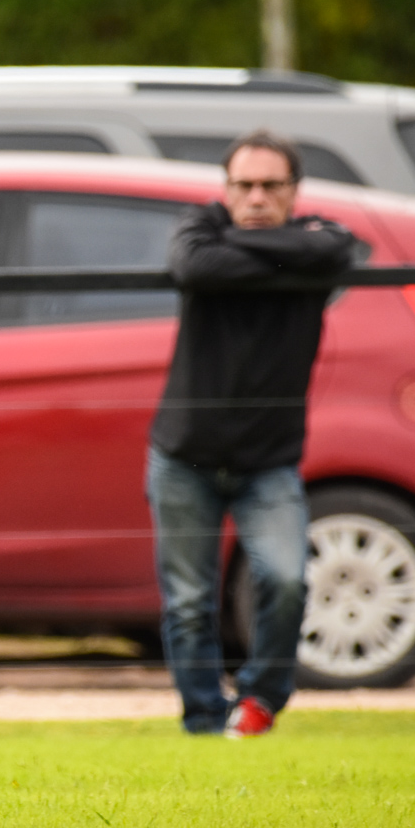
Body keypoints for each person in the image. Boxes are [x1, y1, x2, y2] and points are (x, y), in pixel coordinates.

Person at [148, 130, 355, 737]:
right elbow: (194, 264)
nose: (257, 196)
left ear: (295, 190)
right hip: (183, 454)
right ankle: (206, 723)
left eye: (271, 185)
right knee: (189, 602)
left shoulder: (325, 236)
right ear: (226, 188)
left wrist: (253, 250)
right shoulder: (199, 228)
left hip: (270, 460)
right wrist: (288, 251)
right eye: (245, 185)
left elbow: (342, 250)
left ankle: (260, 702)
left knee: (287, 580)